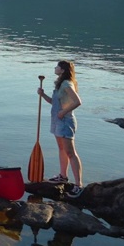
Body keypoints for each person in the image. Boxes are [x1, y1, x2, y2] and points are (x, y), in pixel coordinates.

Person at [38, 60, 84, 197]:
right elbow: (55, 103)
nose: (55, 68)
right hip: (57, 121)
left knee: (71, 152)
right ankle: (63, 176)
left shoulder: (67, 84)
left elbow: (77, 101)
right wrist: (43, 94)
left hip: (65, 121)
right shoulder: (60, 84)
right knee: (62, 149)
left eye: (57, 66)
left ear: (63, 70)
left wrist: (63, 113)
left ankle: (79, 185)